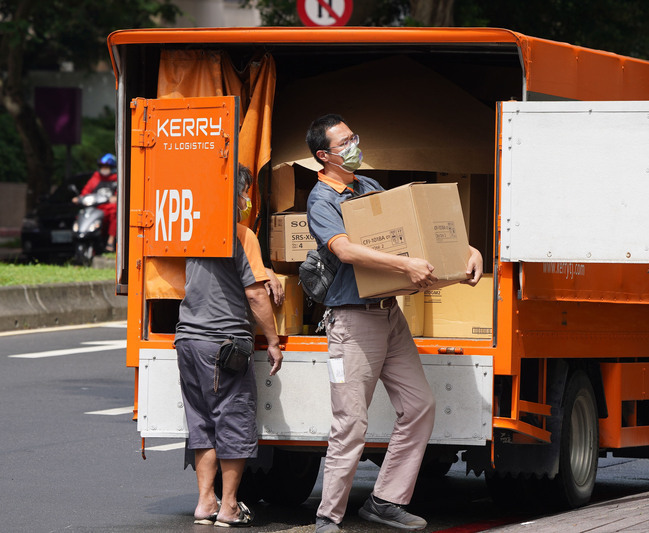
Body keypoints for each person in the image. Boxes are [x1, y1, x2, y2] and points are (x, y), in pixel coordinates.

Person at [305, 114, 483, 533]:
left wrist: (468, 250)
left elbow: (414, 230)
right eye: (345, 141)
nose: (354, 145)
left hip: (389, 314)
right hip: (352, 322)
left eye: (355, 137)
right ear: (323, 156)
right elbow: (344, 250)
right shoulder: (322, 200)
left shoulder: (367, 188)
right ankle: (328, 517)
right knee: (351, 423)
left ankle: (386, 500)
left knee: (419, 406)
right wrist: (404, 264)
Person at [174, 164, 284, 527]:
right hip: (223, 344)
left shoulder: (190, 229)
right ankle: (230, 506)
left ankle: (206, 502)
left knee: (201, 422)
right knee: (233, 420)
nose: (247, 198)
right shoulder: (242, 236)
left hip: (187, 339)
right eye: (245, 191)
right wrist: (272, 340)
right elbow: (255, 295)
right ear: (235, 195)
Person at [73, 153, 118, 252]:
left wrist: (115, 198)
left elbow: (119, 194)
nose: (104, 169)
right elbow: (86, 191)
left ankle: (110, 241)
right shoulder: (96, 178)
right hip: (96, 208)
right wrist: (79, 198)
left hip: (109, 208)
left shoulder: (117, 180)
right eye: (102, 167)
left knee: (114, 211)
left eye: (107, 167)